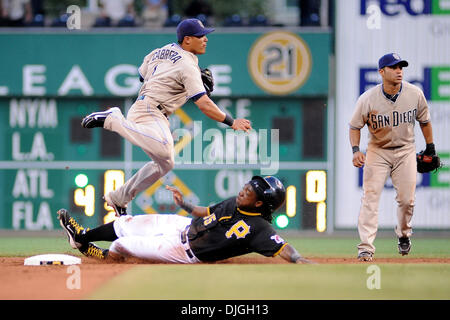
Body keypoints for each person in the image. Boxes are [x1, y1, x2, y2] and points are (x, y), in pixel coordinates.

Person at [81, 18, 252, 216]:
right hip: (150, 109)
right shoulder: (187, 64)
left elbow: (142, 76)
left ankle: (120, 197)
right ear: (187, 40)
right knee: (164, 145)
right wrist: (232, 122)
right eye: (200, 36)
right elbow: (204, 104)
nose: (205, 39)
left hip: (152, 109)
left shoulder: (160, 51)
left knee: (166, 162)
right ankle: (113, 119)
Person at [57, 176, 313, 264]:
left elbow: (282, 246)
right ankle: (81, 237)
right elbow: (204, 212)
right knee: (128, 223)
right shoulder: (233, 203)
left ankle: (97, 253)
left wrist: (299, 259)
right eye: (246, 186)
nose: (243, 191)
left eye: (250, 192)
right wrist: (184, 204)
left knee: (121, 245)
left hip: (185, 251)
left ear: (259, 204)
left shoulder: (260, 228)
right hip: (185, 226)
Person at [349, 53, 436, 262]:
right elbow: (354, 126)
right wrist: (355, 150)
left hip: (406, 150)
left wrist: (430, 147)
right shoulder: (368, 98)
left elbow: (424, 121)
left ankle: (404, 234)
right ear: (382, 72)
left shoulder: (414, 93)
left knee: (407, 200)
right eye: (393, 67)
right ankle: (366, 248)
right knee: (370, 198)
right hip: (378, 150)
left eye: (401, 67)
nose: (399, 71)